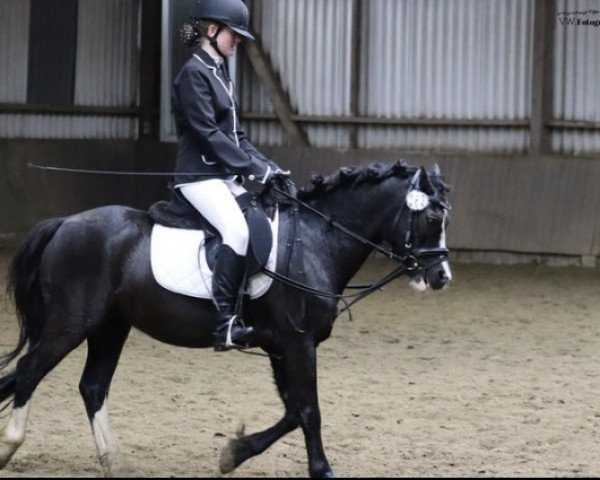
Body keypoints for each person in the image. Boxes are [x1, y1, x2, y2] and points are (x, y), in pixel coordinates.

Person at [172, 0, 289, 351]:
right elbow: (209, 135)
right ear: (212, 31)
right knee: (236, 231)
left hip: (222, 176)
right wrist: (253, 169)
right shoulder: (193, 74)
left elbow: (236, 136)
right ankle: (224, 324)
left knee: (260, 220)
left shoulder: (219, 72)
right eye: (233, 36)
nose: (237, 42)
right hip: (198, 177)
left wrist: (268, 167)